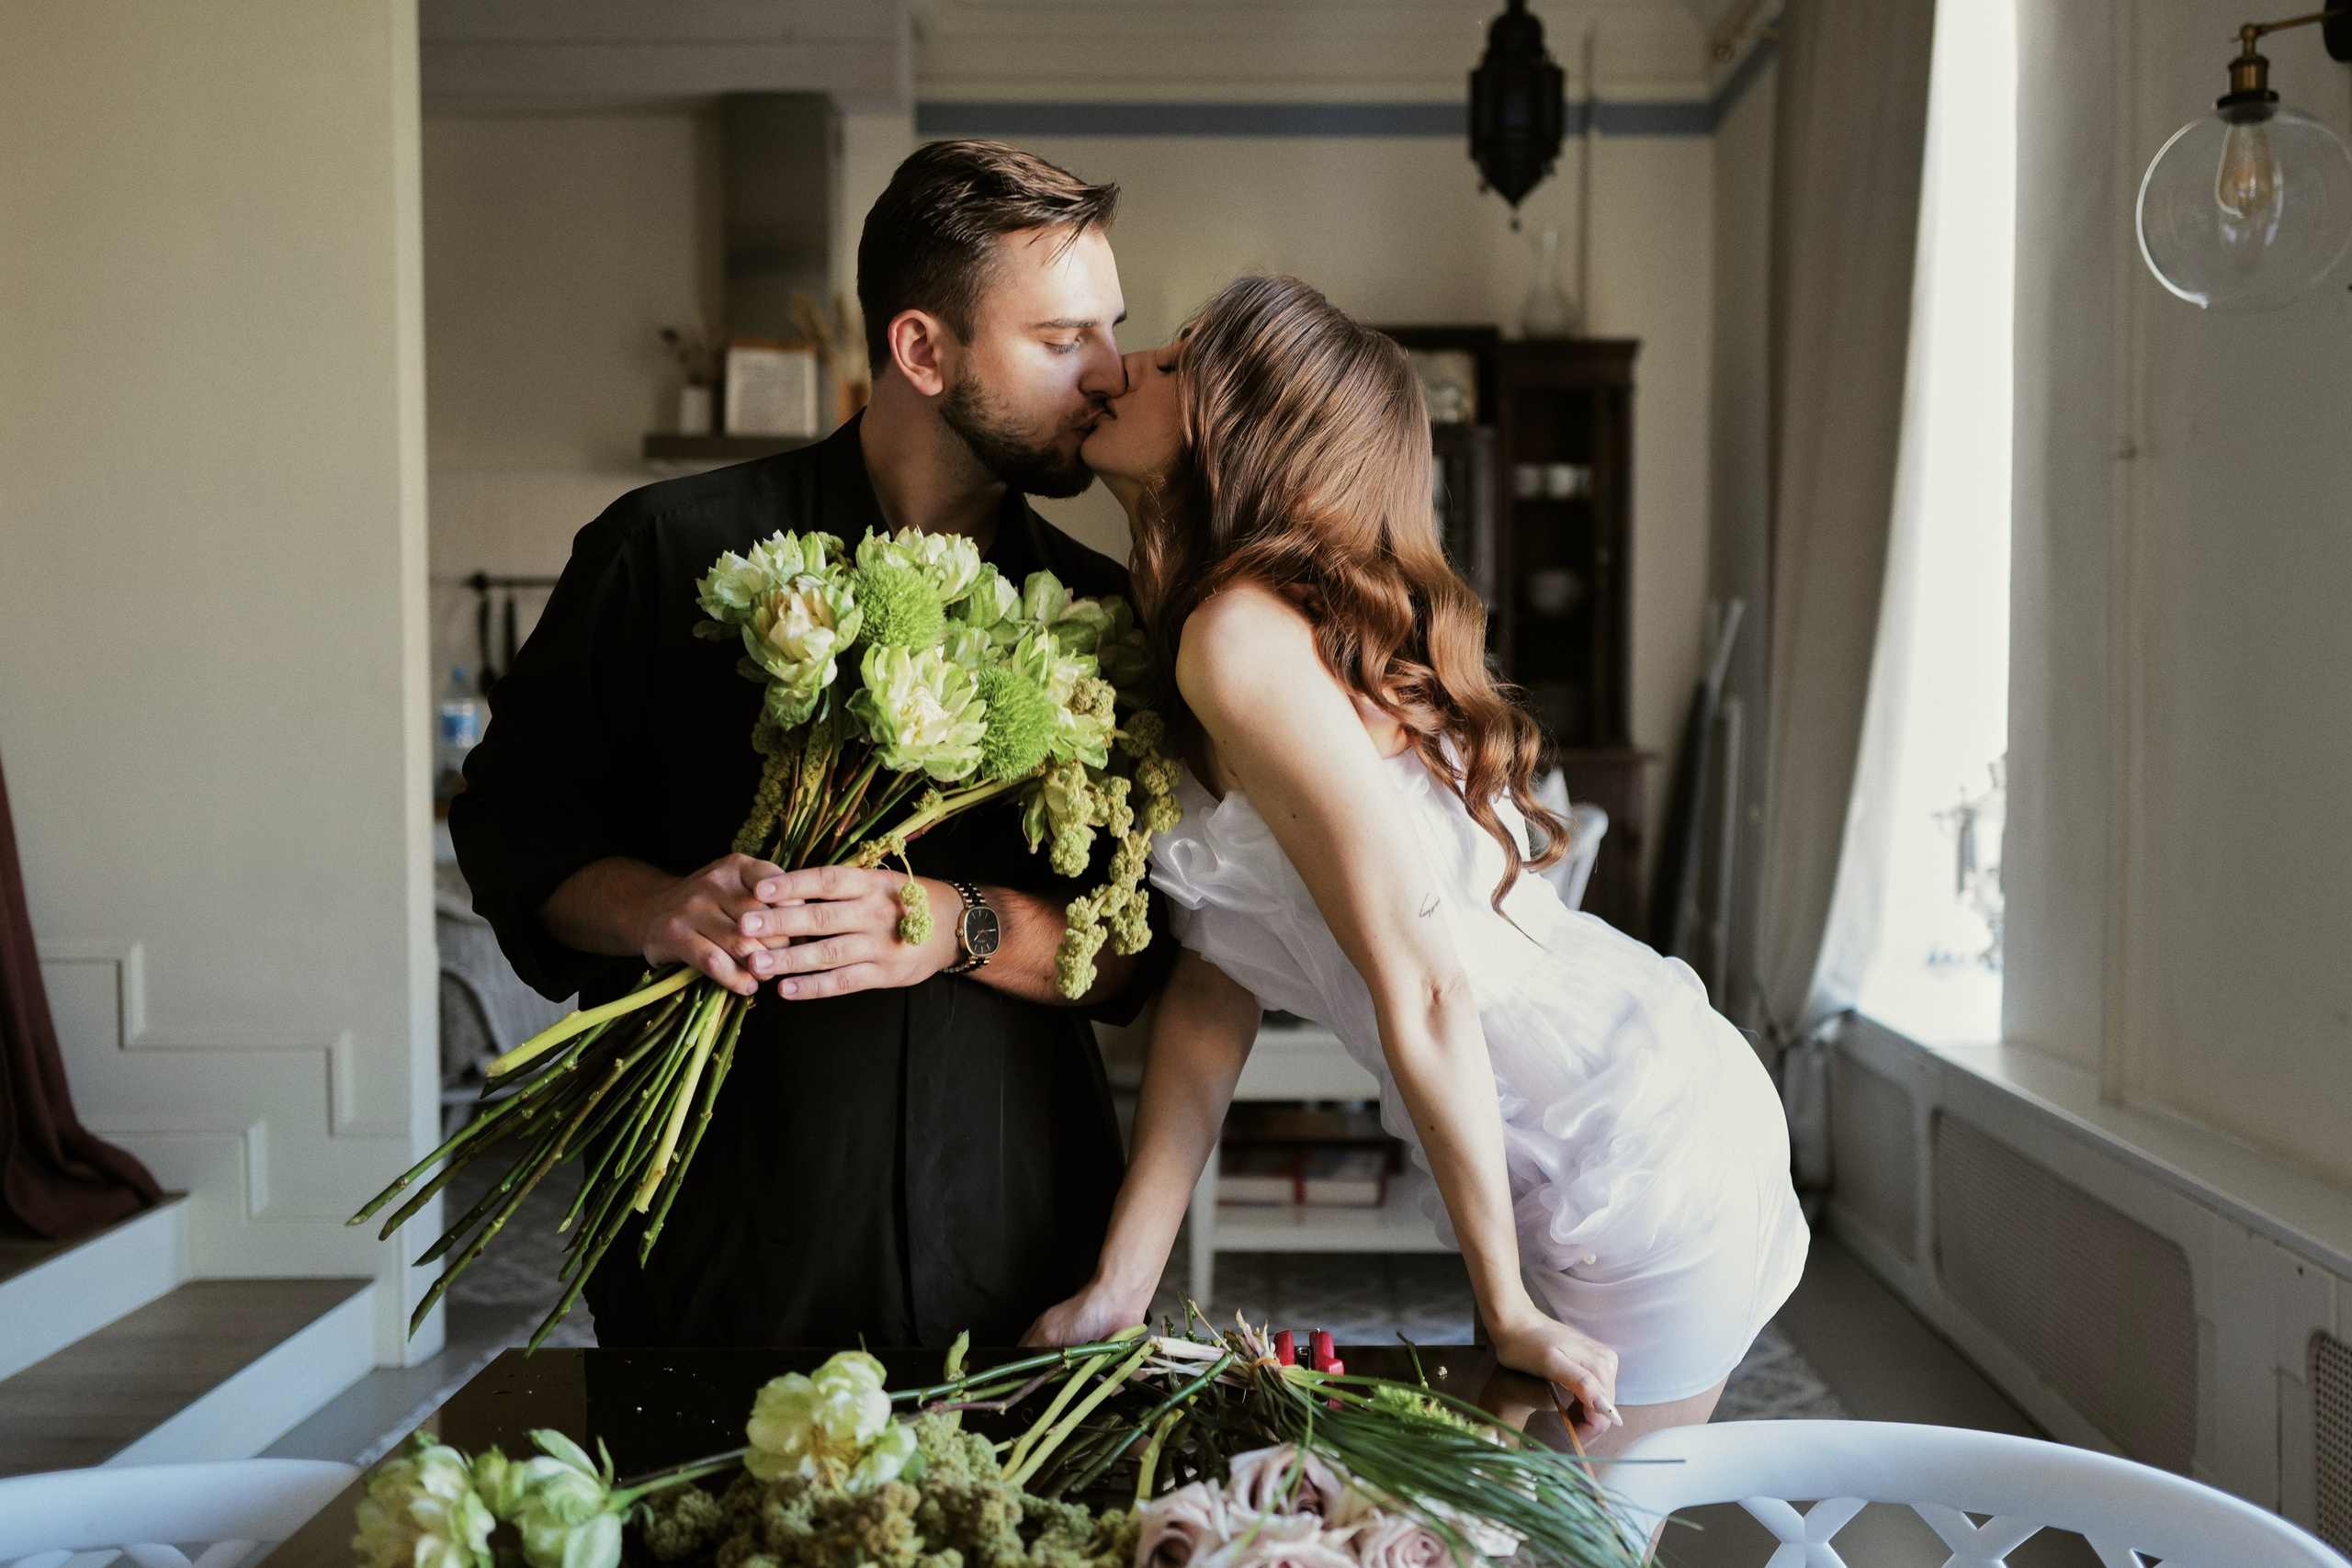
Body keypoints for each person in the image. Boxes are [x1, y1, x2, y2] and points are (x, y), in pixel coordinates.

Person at [1020, 276, 1808, 1456]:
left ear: (1243, 427)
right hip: (1626, 1119)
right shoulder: (1225, 625)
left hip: (1629, 1157)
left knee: (1556, 1540)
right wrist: (1119, 1289)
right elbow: (1213, 985)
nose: (1125, 364)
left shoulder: (1235, 634)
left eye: (1180, 362)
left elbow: (1428, 981)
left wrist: (1505, 1312)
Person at [449, 141, 1171, 1348]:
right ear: (922, 350)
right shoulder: (664, 550)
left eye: (1113, 328)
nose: (1109, 374)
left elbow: (1140, 957)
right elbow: (513, 825)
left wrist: (960, 922)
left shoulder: (1111, 616)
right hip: (719, 1260)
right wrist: (656, 907)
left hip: (1019, 1251)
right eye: (1061, 340)